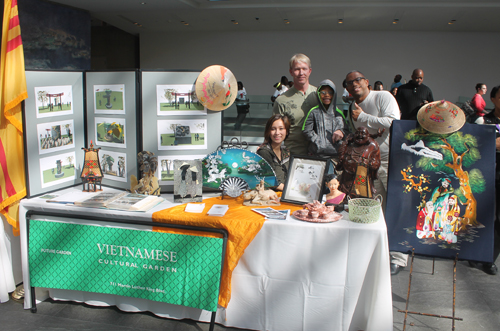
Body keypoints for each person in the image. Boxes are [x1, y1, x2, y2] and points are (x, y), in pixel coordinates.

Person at [343, 70, 403, 274]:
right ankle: (377, 255)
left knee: (395, 206)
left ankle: (398, 257)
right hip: (367, 166)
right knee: (373, 207)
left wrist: (364, 116)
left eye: (357, 80)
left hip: (390, 160)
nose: (354, 84)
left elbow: (394, 122)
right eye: (349, 83)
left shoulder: (383, 96)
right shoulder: (353, 106)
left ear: (367, 82)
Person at [273, 54, 317, 156]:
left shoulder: (321, 95)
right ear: (291, 72)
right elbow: (275, 130)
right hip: (293, 154)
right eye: (297, 69)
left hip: (318, 154)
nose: (301, 73)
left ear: (309, 71)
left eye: (304, 69)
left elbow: (334, 117)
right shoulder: (281, 100)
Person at [302, 80, 345, 164]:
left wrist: (341, 132)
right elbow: (306, 130)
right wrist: (318, 141)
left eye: (330, 92)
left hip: (336, 157)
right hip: (317, 156)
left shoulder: (339, 114)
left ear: (334, 94)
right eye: (323, 92)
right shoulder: (314, 112)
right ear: (318, 94)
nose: (327, 95)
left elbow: (346, 131)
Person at [482, 84, 500, 275]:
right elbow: (481, 143)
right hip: (487, 175)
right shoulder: (484, 121)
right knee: (482, 216)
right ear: (493, 99)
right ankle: (476, 253)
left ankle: (490, 258)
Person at [257, 114, 291, 191]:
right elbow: (269, 181)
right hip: (270, 197)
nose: (277, 133)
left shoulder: (286, 151)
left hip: (284, 195)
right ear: (268, 132)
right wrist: (291, 191)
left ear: (287, 131)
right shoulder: (264, 152)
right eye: (273, 129)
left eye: (281, 128)